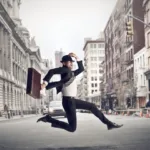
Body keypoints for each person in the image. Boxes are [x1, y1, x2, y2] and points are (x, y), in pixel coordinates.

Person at [37, 53, 123, 132]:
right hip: (68, 101)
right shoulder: (65, 70)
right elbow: (52, 71)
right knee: (72, 128)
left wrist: (76, 57)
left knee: (92, 106)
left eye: (72, 62)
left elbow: (81, 68)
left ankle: (109, 123)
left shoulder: (72, 73)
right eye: (69, 62)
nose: (71, 63)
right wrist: (45, 83)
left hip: (72, 101)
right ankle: (49, 119)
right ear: (63, 63)